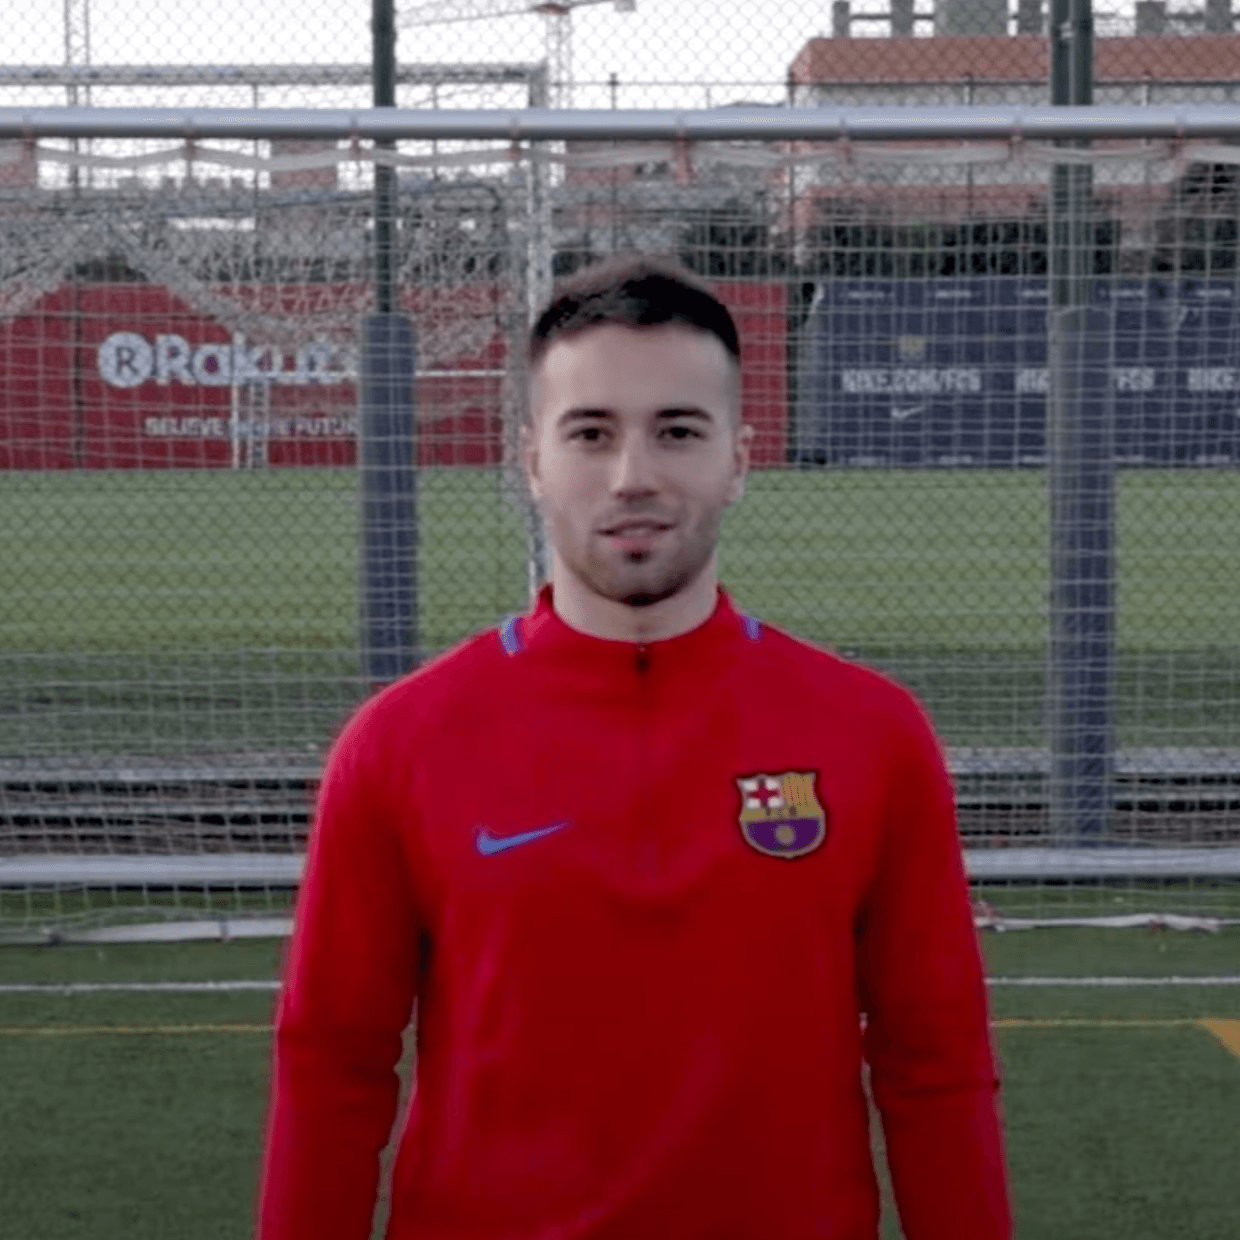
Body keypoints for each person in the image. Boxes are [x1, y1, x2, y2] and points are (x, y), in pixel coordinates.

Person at [258, 256, 1011, 1240]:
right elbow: (333, 1060)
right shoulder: (398, 744)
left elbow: (935, 1060)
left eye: (677, 431)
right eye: (591, 433)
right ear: (531, 460)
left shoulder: (873, 734)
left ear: (739, 458)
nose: (633, 476)